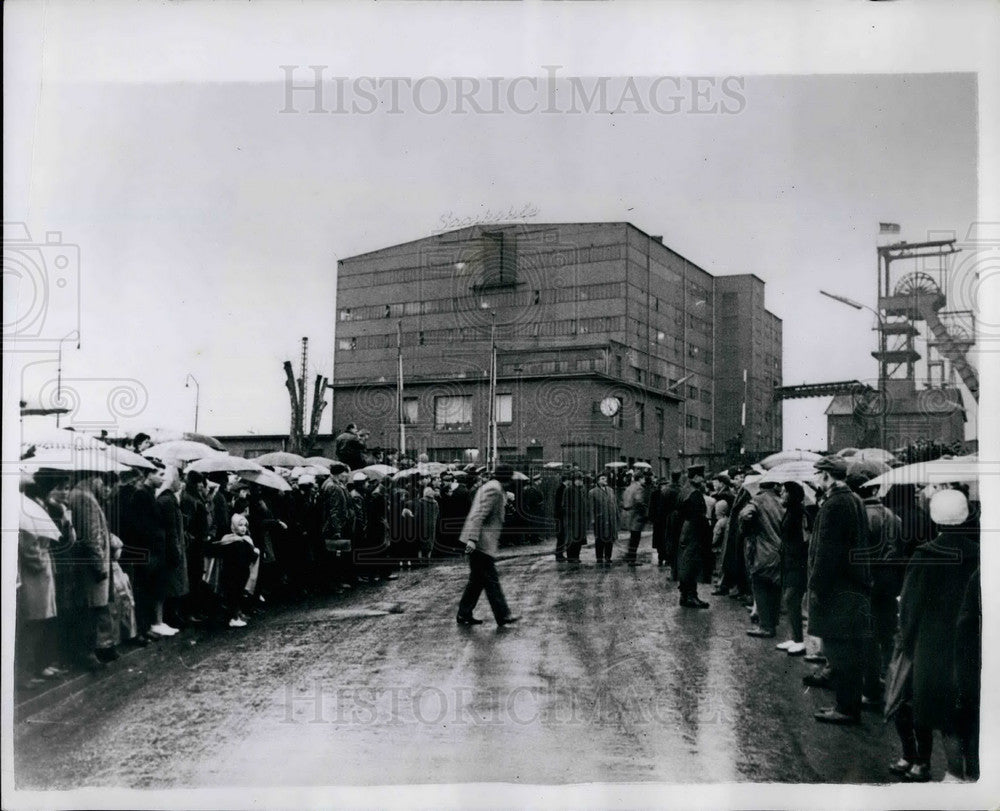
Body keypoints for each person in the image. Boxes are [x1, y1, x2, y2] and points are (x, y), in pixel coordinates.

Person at [897, 488, 980, 781]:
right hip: (972, 647)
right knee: (967, 713)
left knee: (936, 713)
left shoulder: (926, 555)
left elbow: (910, 607)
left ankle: (948, 773)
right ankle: (972, 774)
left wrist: (906, 643)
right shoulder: (980, 554)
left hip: (932, 647)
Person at [808, 456, 872, 725]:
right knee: (848, 651)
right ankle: (847, 705)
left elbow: (827, 552)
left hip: (836, 589)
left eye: (818, 474)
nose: (815, 479)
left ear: (826, 476)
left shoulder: (835, 504)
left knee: (839, 652)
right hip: (853, 585)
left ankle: (846, 708)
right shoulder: (854, 499)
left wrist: (817, 587)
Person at [456, 464, 520, 627]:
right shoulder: (494, 490)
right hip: (480, 542)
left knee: (477, 580)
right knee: (491, 580)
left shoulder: (492, 487)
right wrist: (472, 539)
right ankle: (502, 615)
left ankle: (464, 613)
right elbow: (479, 515)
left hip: (479, 541)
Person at [66, 471, 115, 669]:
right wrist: (99, 565)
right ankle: (87, 655)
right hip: (91, 567)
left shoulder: (85, 496)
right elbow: (92, 536)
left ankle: (93, 651)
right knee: (90, 610)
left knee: (93, 609)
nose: (104, 487)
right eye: (102, 481)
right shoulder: (84, 499)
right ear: (92, 479)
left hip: (91, 564)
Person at [739, 480, 784, 638]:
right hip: (780, 551)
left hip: (762, 550)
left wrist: (749, 527)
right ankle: (773, 622)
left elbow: (745, 514)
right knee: (775, 589)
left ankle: (765, 627)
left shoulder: (757, 501)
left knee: (760, 586)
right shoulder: (781, 500)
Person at [775, 481, 808, 655]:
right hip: (789, 561)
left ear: (792, 494)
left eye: (784, 492)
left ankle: (799, 640)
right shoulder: (791, 511)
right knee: (789, 598)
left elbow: (803, 539)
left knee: (791, 598)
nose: (781, 494)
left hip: (797, 562)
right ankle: (794, 637)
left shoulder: (800, 513)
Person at [158, 465, 189, 630]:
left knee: (176, 582)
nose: (180, 482)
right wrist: (176, 549)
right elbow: (171, 529)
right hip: (173, 547)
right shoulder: (168, 501)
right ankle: (172, 615)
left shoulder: (169, 499)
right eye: (178, 479)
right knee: (174, 583)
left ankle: (173, 614)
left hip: (175, 545)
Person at [677, 465, 711, 608]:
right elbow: (699, 516)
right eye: (701, 477)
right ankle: (692, 596)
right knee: (692, 563)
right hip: (694, 531)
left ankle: (685, 596)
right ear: (696, 477)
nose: (703, 480)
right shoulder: (695, 493)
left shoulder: (684, 490)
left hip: (686, 530)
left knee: (685, 563)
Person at [590, 473, 620, 565]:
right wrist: (592, 519)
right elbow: (591, 507)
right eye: (603, 479)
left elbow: (615, 504)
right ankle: (599, 557)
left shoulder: (611, 490)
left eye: (605, 478)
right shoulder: (593, 492)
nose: (605, 480)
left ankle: (608, 556)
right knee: (600, 538)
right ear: (598, 480)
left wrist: (617, 515)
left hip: (611, 518)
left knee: (610, 538)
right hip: (600, 519)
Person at [622, 470, 648, 566]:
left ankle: (630, 556)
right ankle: (632, 559)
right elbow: (639, 501)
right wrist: (645, 512)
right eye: (643, 478)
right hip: (636, 516)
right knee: (635, 538)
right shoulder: (639, 488)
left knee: (633, 537)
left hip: (628, 514)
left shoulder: (629, 488)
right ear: (640, 479)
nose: (644, 480)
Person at [562, 471, 589, 563]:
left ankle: (576, 556)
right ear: (574, 480)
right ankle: (571, 557)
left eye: (581, 479)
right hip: (572, 519)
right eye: (578, 479)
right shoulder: (568, 490)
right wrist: (573, 511)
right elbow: (564, 505)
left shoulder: (583, 489)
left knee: (579, 539)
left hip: (580, 518)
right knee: (572, 539)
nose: (580, 481)